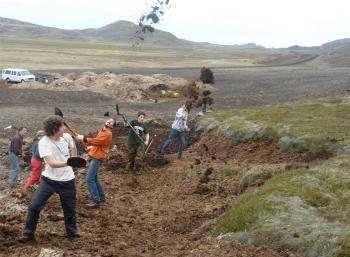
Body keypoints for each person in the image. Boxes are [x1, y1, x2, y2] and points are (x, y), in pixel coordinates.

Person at [20, 116, 79, 243]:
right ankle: (28, 234)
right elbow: (51, 163)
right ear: (54, 129)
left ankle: (72, 233)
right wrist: (70, 162)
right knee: (34, 207)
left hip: (68, 181)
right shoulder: (44, 142)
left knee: (70, 209)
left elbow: (73, 146)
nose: (64, 128)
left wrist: (74, 158)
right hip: (49, 180)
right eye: (62, 126)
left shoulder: (67, 137)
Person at [76, 118, 116, 208]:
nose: (109, 122)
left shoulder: (108, 133)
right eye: (108, 121)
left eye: (111, 122)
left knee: (89, 179)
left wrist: (84, 138)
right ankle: (101, 197)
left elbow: (98, 141)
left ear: (112, 126)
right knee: (94, 179)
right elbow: (98, 143)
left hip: (97, 158)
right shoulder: (103, 130)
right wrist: (92, 147)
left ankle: (95, 200)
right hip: (94, 155)